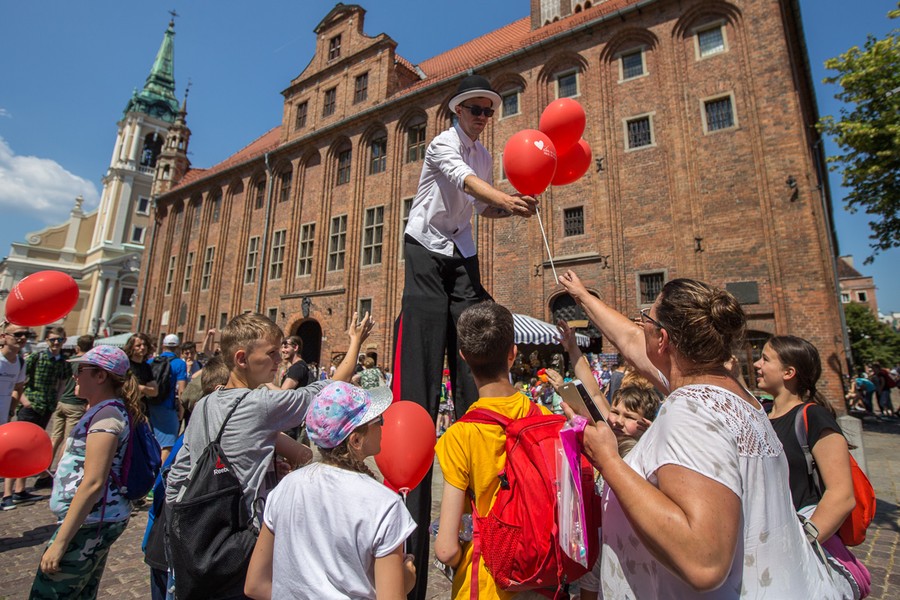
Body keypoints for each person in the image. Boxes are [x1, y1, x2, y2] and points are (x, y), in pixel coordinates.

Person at [558, 270, 853, 598]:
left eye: (647, 319)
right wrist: (583, 296)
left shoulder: (692, 410)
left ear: (663, 339)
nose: (640, 326)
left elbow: (704, 562)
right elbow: (629, 340)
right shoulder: (729, 393)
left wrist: (608, 460)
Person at [389, 74, 539, 600]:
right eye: (474, 109)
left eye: (487, 110)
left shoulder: (484, 155)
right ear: (458, 112)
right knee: (423, 371)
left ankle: (490, 509)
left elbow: (480, 204)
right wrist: (496, 195)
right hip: (425, 249)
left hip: (462, 252)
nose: (481, 116)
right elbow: (469, 187)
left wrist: (515, 204)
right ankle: (408, 547)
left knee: (481, 337)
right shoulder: (443, 144)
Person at [165, 312, 374, 595]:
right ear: (242, 359)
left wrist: (179, 528)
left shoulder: (205, 403)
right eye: (272, 353)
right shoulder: (260, 404)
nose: (279, 360)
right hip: (240, 540)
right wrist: (355, 342)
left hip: (198, 535)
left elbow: (178, 473)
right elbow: (329, 391)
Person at [244, 381, 417, 599]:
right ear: (355, 440)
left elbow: (255, 585)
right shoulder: (383, 504)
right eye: (378, 421)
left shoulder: (287, 486)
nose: (383, 426)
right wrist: (407, 577)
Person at [433, 301, 553, 599]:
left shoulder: (459, 435)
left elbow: (446, 550)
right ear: (513, 353)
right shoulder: (544, 418)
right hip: (541, 576)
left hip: (485, 583)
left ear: (462, 356)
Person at [29, 345, 143, 598]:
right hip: (94, 519)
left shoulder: (107, 416)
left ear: (100, 376)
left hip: (90, 521)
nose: (74, 376)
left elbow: (93, 482)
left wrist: (59, 543)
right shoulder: (103, 410)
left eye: (80, 370)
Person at [144, 355, 230, 600]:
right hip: (177, 547)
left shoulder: (192, 433)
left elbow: (163, 489)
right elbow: (164, 489)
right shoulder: (196, 438)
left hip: (173, 543)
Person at [755, 337, 856, 543]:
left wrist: (804, 543)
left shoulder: (813, 417)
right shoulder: (760, 414)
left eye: (765, 359)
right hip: (766, 537)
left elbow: (841, 495)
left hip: (797, 536)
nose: (757, 364)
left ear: (788, 372)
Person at [9, 327, 70, 503]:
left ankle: (20, 490)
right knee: (19, 447)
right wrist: (25, 401)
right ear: (47, 341)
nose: (56, 343)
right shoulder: (37, 357)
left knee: (32, 448)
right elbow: (19, 382)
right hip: (31, 406)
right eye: (52, 340)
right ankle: (9, 490)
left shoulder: (62, 362)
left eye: (59, 340)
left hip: (46, 407)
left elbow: (63, 383)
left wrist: (56, 399)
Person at [46, 335, 96, 480]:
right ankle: (60, 474)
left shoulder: (69, 361)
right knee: (70, 441)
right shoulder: (87, 363)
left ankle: (44, 469)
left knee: (55, 438)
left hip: (62, 402)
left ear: (77, 347)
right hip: (76, 404)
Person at [1, 324, 29, 510]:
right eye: (17, 334)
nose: (22, 338)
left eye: (25, 335)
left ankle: (8, 495)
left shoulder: (20, 362)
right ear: (4, 336)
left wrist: (11, 410)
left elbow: (18, 388)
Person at [150, 334, 188, 464]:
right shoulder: (179, 364)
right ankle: (158, 477)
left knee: (150, 440)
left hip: (148, 406)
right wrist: (181, 410)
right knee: (168, 445)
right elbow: (182, 390)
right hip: (167, 407)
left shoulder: (151, 361)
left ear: (163, 346)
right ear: (178, 347)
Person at [124, 333, 159, 407]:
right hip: (126, 405)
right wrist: (145, 389)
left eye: (144, 345)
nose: (142, 348)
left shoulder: (146, 367)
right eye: (138, 345)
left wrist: (142, 388)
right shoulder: (125, 365)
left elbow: (155, 391)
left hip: (141, 408)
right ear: (131, 347)